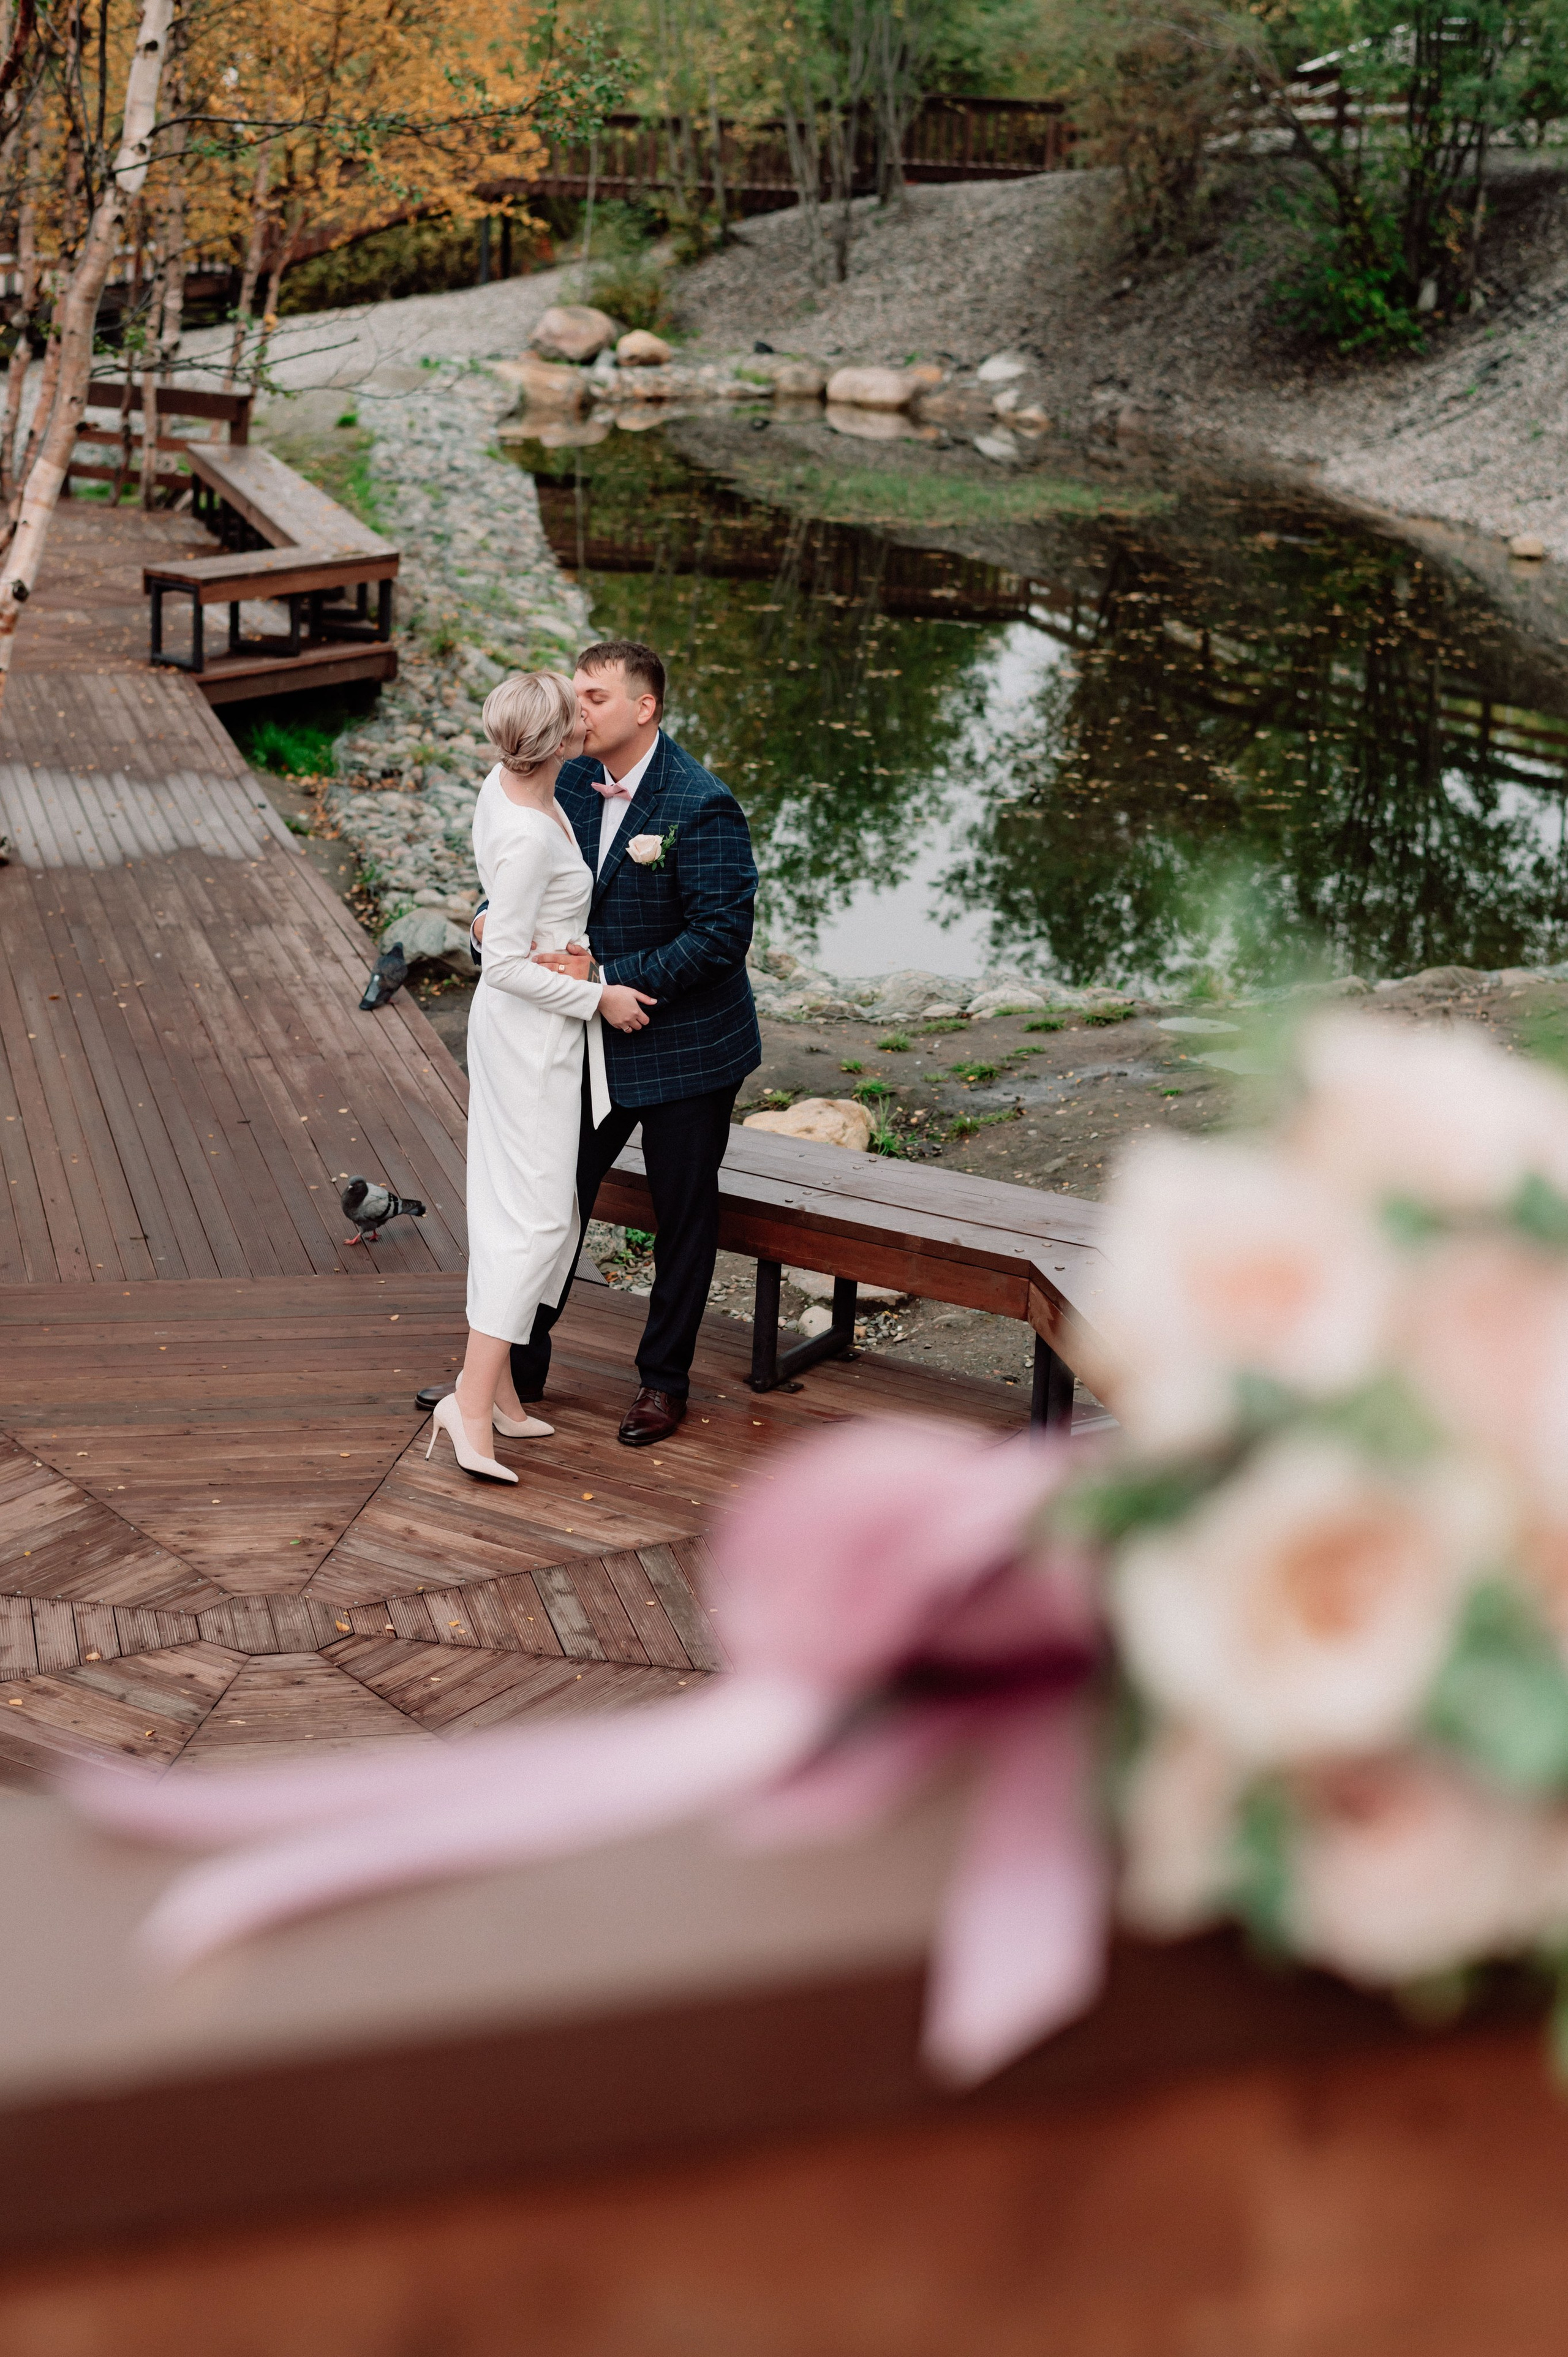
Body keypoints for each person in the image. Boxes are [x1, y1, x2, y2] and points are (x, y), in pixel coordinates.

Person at [420, 638, 761, 1448]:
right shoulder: (564, 774)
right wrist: (484, 922)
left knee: (683, 1216)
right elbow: (520, 880)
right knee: (555, 1200)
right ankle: (506, 1374)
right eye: (575, 693)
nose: (578, 711)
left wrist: (606, 972)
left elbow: (722, 936)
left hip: (684, 1044)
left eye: (595, 698)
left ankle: (662, 1384)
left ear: (645, 707)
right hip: (579, 1036)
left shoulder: (701, 803)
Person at [426, 669, 655, 1482]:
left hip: (543, 1036)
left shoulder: (512, 782)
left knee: (545, 1216)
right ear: (557, 740)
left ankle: (504, 1400)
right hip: (529, 1038)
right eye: (575, 711)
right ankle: (472, 1403)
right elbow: (504, 969)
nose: (587, 716)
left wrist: (506, 921)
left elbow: (500, 916)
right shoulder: (527, 830)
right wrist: (601, 994)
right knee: (530, 1223)